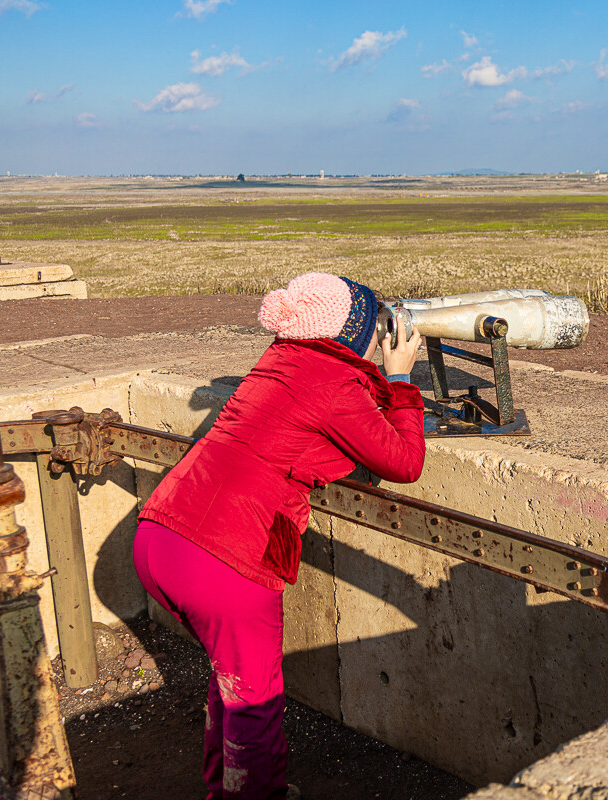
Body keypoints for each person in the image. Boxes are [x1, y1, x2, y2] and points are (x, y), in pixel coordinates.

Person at [133, 273, 425, 800]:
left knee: (232, 683)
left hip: (161, 536)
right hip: (222, 559)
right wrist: (401, 379)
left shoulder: (280, 360)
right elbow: (404, 463)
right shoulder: (336, 386)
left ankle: (224, 790)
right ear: (354, 329)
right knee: (255, 703)